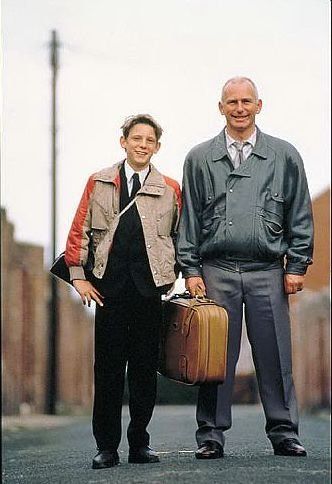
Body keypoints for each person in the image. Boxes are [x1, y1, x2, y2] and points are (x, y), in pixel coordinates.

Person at [177, 77, 313, 459]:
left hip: (267, 269)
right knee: (214, 354)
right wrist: (191, 269)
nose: (239, 108)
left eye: (246, 101)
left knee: (274, 353)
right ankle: (210, 435)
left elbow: (299, 212)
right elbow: (188, 219)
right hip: (215, 268)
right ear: (220, 107)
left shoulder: (284, 155)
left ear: (259, 105)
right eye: (232, 102)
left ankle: (285, 432)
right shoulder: (199, 157)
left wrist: (297, 264)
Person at [64, 114, 181, 469]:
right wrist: (77, 276)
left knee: (145, 369)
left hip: (149, 292)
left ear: (157, 147)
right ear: (124, 142)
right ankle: (107, 447)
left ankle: (140, 443)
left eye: (150, 141)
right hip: (108, 289)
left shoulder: (170, 188)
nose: (142, 145)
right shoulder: (98, 182)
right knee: (109, 370)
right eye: (136, 138)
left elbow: (182, 236)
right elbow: (79, 228)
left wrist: (177, 273)